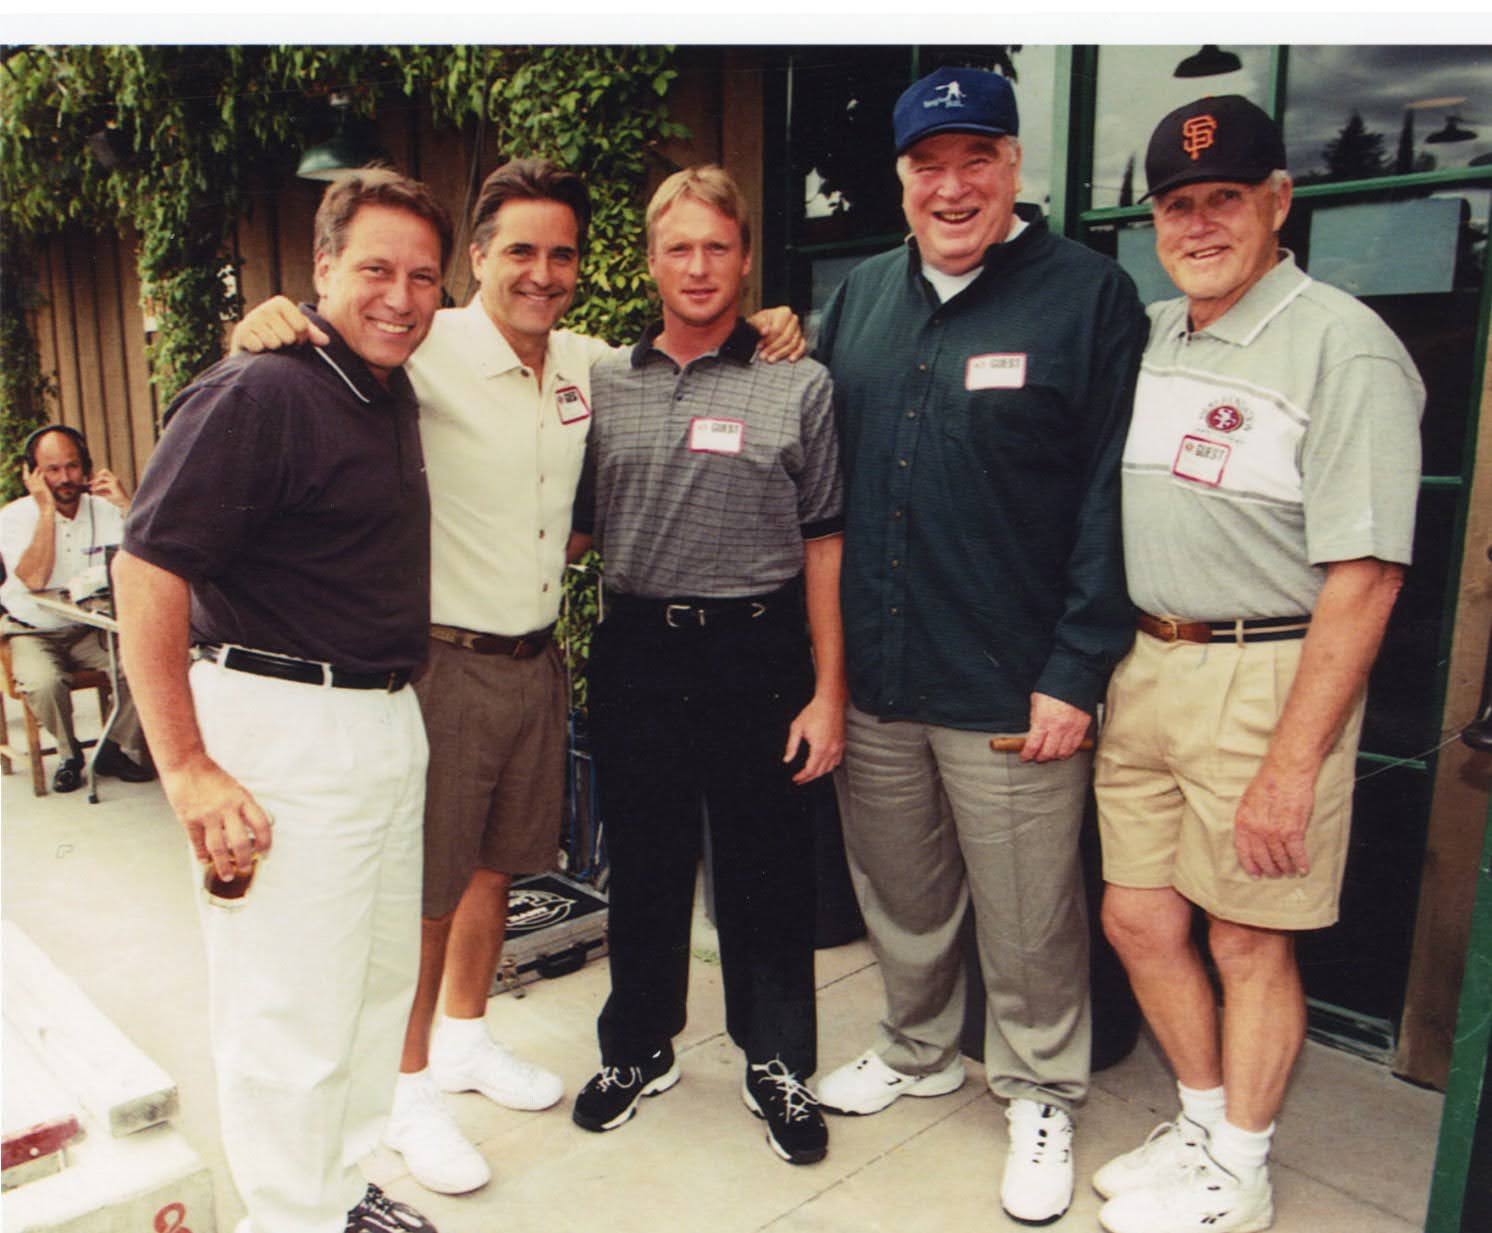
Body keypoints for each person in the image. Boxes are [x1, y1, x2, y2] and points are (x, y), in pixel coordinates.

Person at [229, 160, 803, 1196]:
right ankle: (406, 1092)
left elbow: (686, 348)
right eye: (520, 251)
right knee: (429, 890)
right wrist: (270, 320)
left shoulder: (593, 364)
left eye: (562, 253)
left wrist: (768, 326)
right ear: (478, 255)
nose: (542, 273)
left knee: (499, 866)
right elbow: (328, 340)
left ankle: (463, 1036)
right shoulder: (424, 341)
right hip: (444, 658)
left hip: (536, 657)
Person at [811, 66, 1147, 1224]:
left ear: (1013, 167)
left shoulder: (1087, 297)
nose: (950, 188)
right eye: (928, 167)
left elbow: (1110, 497)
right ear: (901, 179)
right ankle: (916, 1049)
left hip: (1012, 682)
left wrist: (1076, 668)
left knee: (1028, 912)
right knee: (899, 891)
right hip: (881, 672)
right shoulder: (860, 298)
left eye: (975, 161)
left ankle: (1041, 1088)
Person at [1091, 96, 1424, 1233]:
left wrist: (1292, 765)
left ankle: (1241, 1168)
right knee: (1140, 918)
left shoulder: (1344, 346)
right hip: (1147, 662)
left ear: (1278, 201)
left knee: (1245, 935)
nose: (1198, 225)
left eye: (1224, 198)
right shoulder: (1151, 333)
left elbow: (1367, 576)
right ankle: (1200, 1122)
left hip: (1268, 672)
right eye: (1177, 206)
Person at [114, 167, 451, 1233]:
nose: (400, 296)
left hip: (382, 718)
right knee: (287, 1011)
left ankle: (337, 1193)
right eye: (376, 270)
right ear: (322, 268)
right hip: (283, 729)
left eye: (424, 277)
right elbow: (146, 570)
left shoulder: (381, 384)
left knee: (369, 992)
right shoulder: (259, 391)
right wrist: (186, 767)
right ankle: (287, 1219)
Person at [568, 166, 844, 1167]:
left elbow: (825, 544)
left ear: (745, 259)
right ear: (650, 261)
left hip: (757, 651)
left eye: (716, 247)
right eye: (678, 247)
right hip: (638, 647)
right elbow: (570, 527)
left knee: (766, 871)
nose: (697, 266)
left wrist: (829, 688)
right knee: (643, 862)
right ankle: (639, 1045)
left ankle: (776, 1061)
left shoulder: (798, 383)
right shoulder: (602, 382)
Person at [0, 424, 153, 791]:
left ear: (86, 467)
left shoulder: (105, 510)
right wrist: (46, 512)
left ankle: (111, 746)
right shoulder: (13, 518)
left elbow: (150, 562)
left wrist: (128, 508)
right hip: (33, 631)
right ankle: (69, 754)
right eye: (52, 470)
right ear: (33, 474)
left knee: (145, 664)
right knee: (44, 683)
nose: (65, 478)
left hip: (89, 628)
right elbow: (34, 578)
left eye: (72, 466)